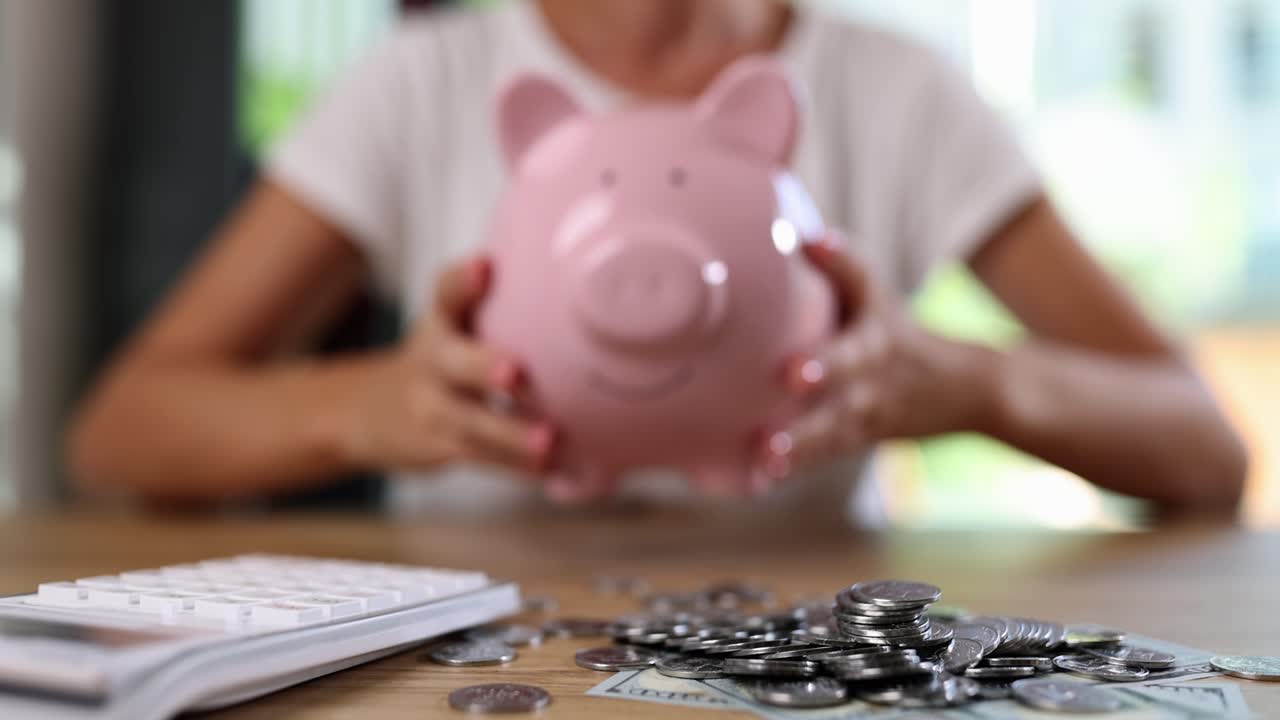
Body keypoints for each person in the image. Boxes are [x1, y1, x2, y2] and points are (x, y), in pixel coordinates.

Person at [67, 0, 1247, 513]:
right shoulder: (416, 86)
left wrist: (965, 382)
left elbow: (1201, 448)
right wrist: (371, 403)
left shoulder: (894, 94)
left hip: (800, 658)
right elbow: (122, 430)